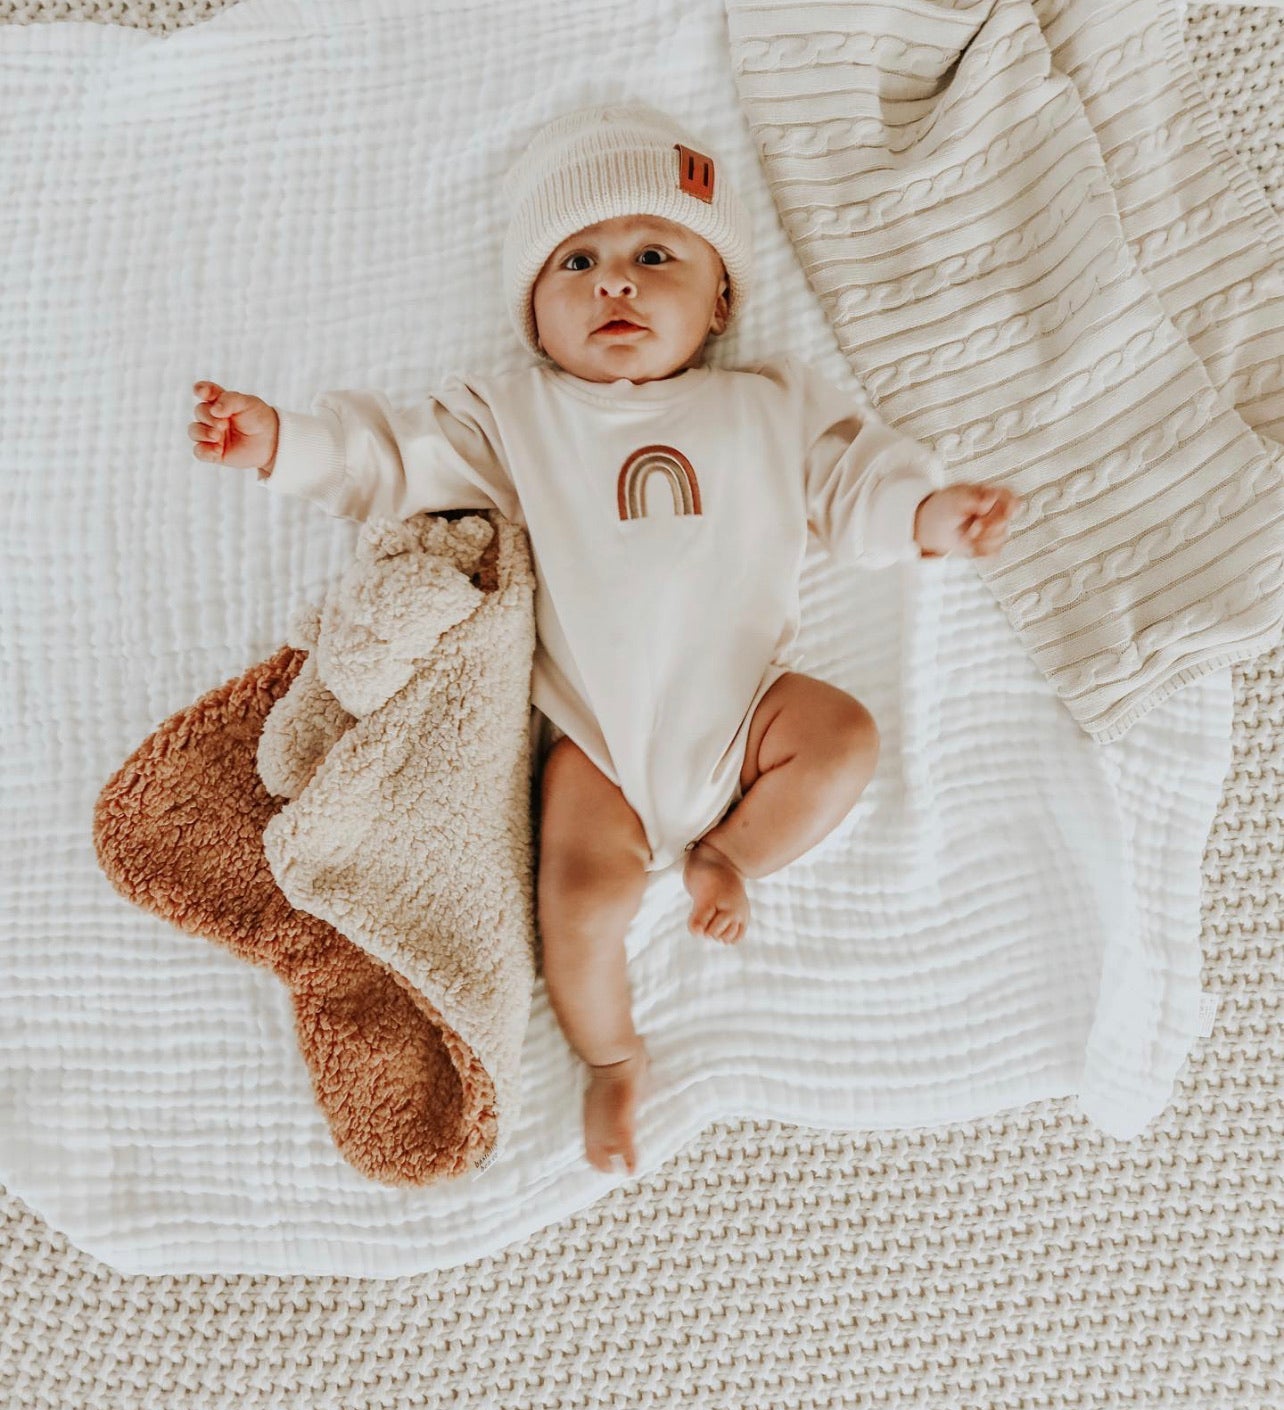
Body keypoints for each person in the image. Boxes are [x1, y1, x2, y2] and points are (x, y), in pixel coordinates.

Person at [187, 104, 1020, 1180]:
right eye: (576, 261)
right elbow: (396, 460)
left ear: (720, 299)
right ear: (534, 317)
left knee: (845, 733)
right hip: (595, 742)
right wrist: (281, 443)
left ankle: (735, 851)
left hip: (750, 710)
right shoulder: (517, 416)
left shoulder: (767, 406)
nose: (614, 282)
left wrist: (931, 516)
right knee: (577, 900)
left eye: (654, 254)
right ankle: (614, 1056)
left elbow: (857, 480)